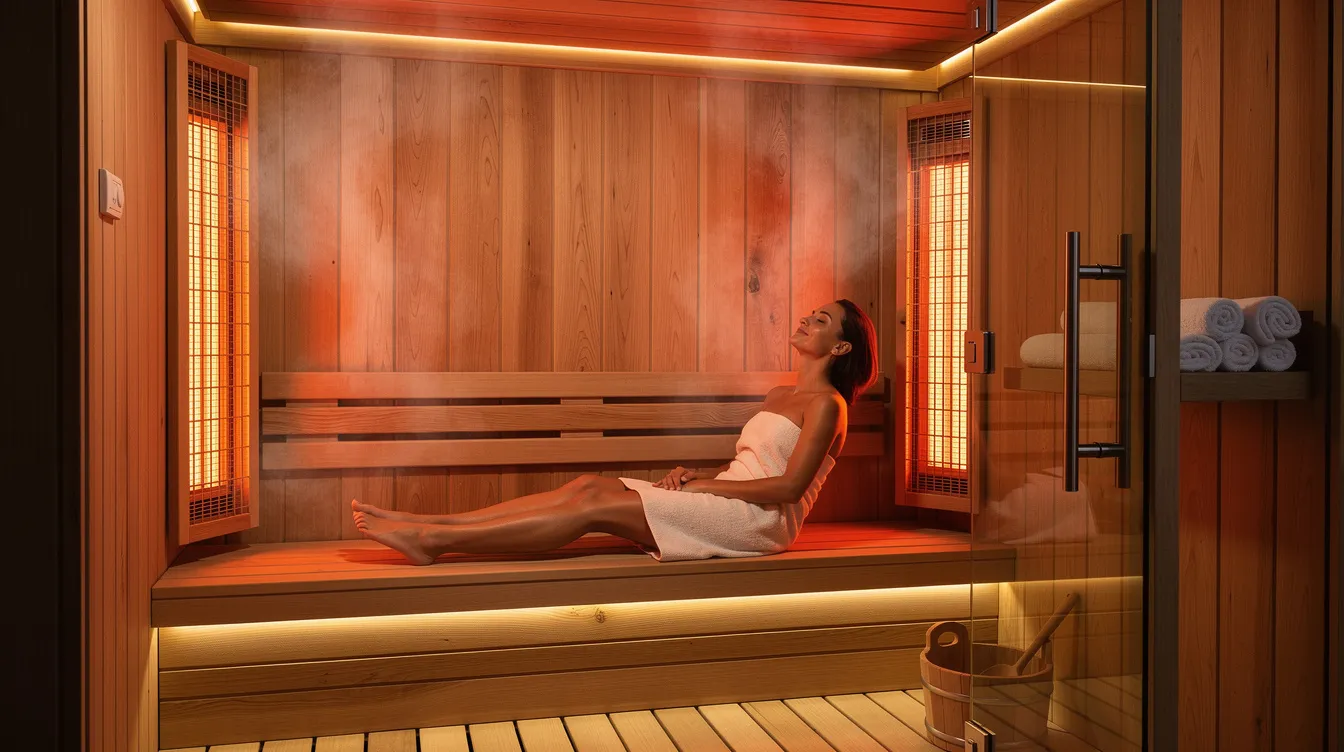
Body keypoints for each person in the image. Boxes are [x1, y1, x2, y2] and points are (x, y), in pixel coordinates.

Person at [352, 299, 879, 565]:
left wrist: (703, 485)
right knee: (587, 485)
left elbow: (786, 490)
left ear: (841, 348)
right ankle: (431, 522)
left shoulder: (829, 406)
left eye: (823, 321)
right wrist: (696, 477)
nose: (808, 319)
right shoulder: (778, 397)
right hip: (730, 498)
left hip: (759, 524)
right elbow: (752, 469)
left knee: (594, 508)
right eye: (811, 313)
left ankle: (433, 541)